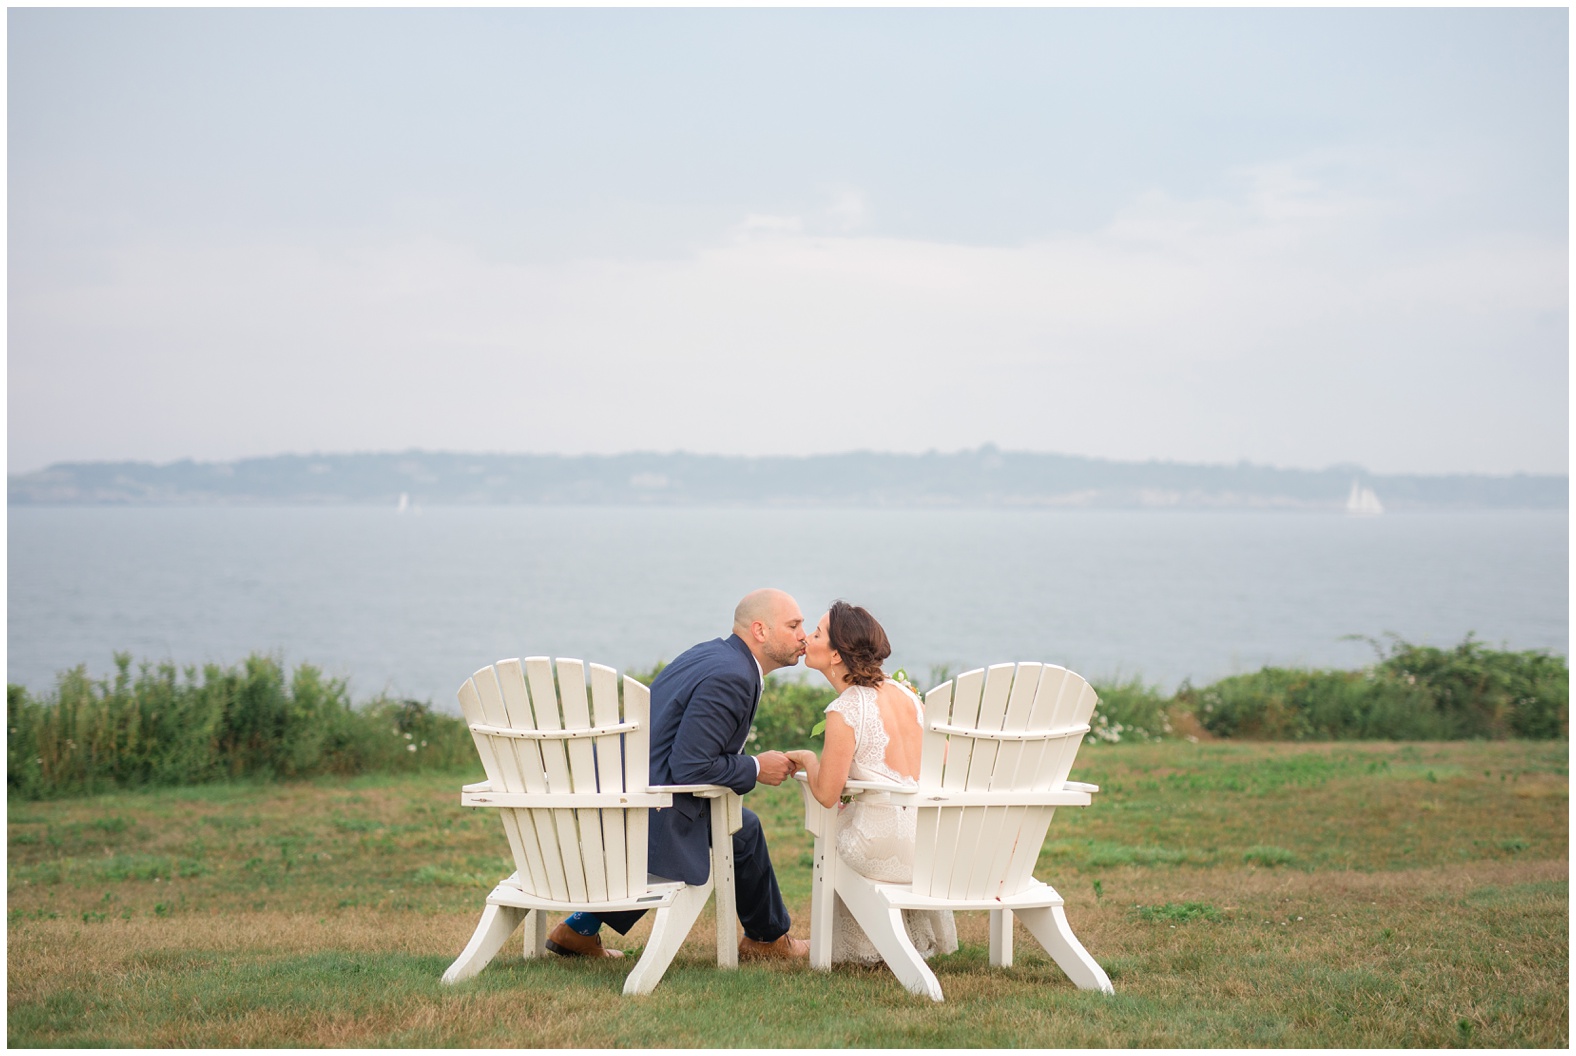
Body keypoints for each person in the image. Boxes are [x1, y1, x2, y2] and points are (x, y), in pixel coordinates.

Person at [545, 588, 812, 961]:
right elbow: (692, 767)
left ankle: (578, 928)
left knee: (742, 827)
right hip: (648, 811)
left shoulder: (711, 654)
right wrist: (755, 766)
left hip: (619, 799)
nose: (804, 634)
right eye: (794, 624)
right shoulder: (733, 676)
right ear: (760, 630)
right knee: (739, 829)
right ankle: (768, 942)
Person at [784, 600, 958, 965]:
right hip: (930, 846)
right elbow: (938, 766)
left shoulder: (846, 708)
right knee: (856, 822)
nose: (806, 639)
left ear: (835, 656)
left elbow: (828, 795)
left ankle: (854, 948)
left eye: (816, 634)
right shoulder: (909, 697)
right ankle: (881, 943)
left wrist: (809, 759)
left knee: (839, 831)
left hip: (883, 849)